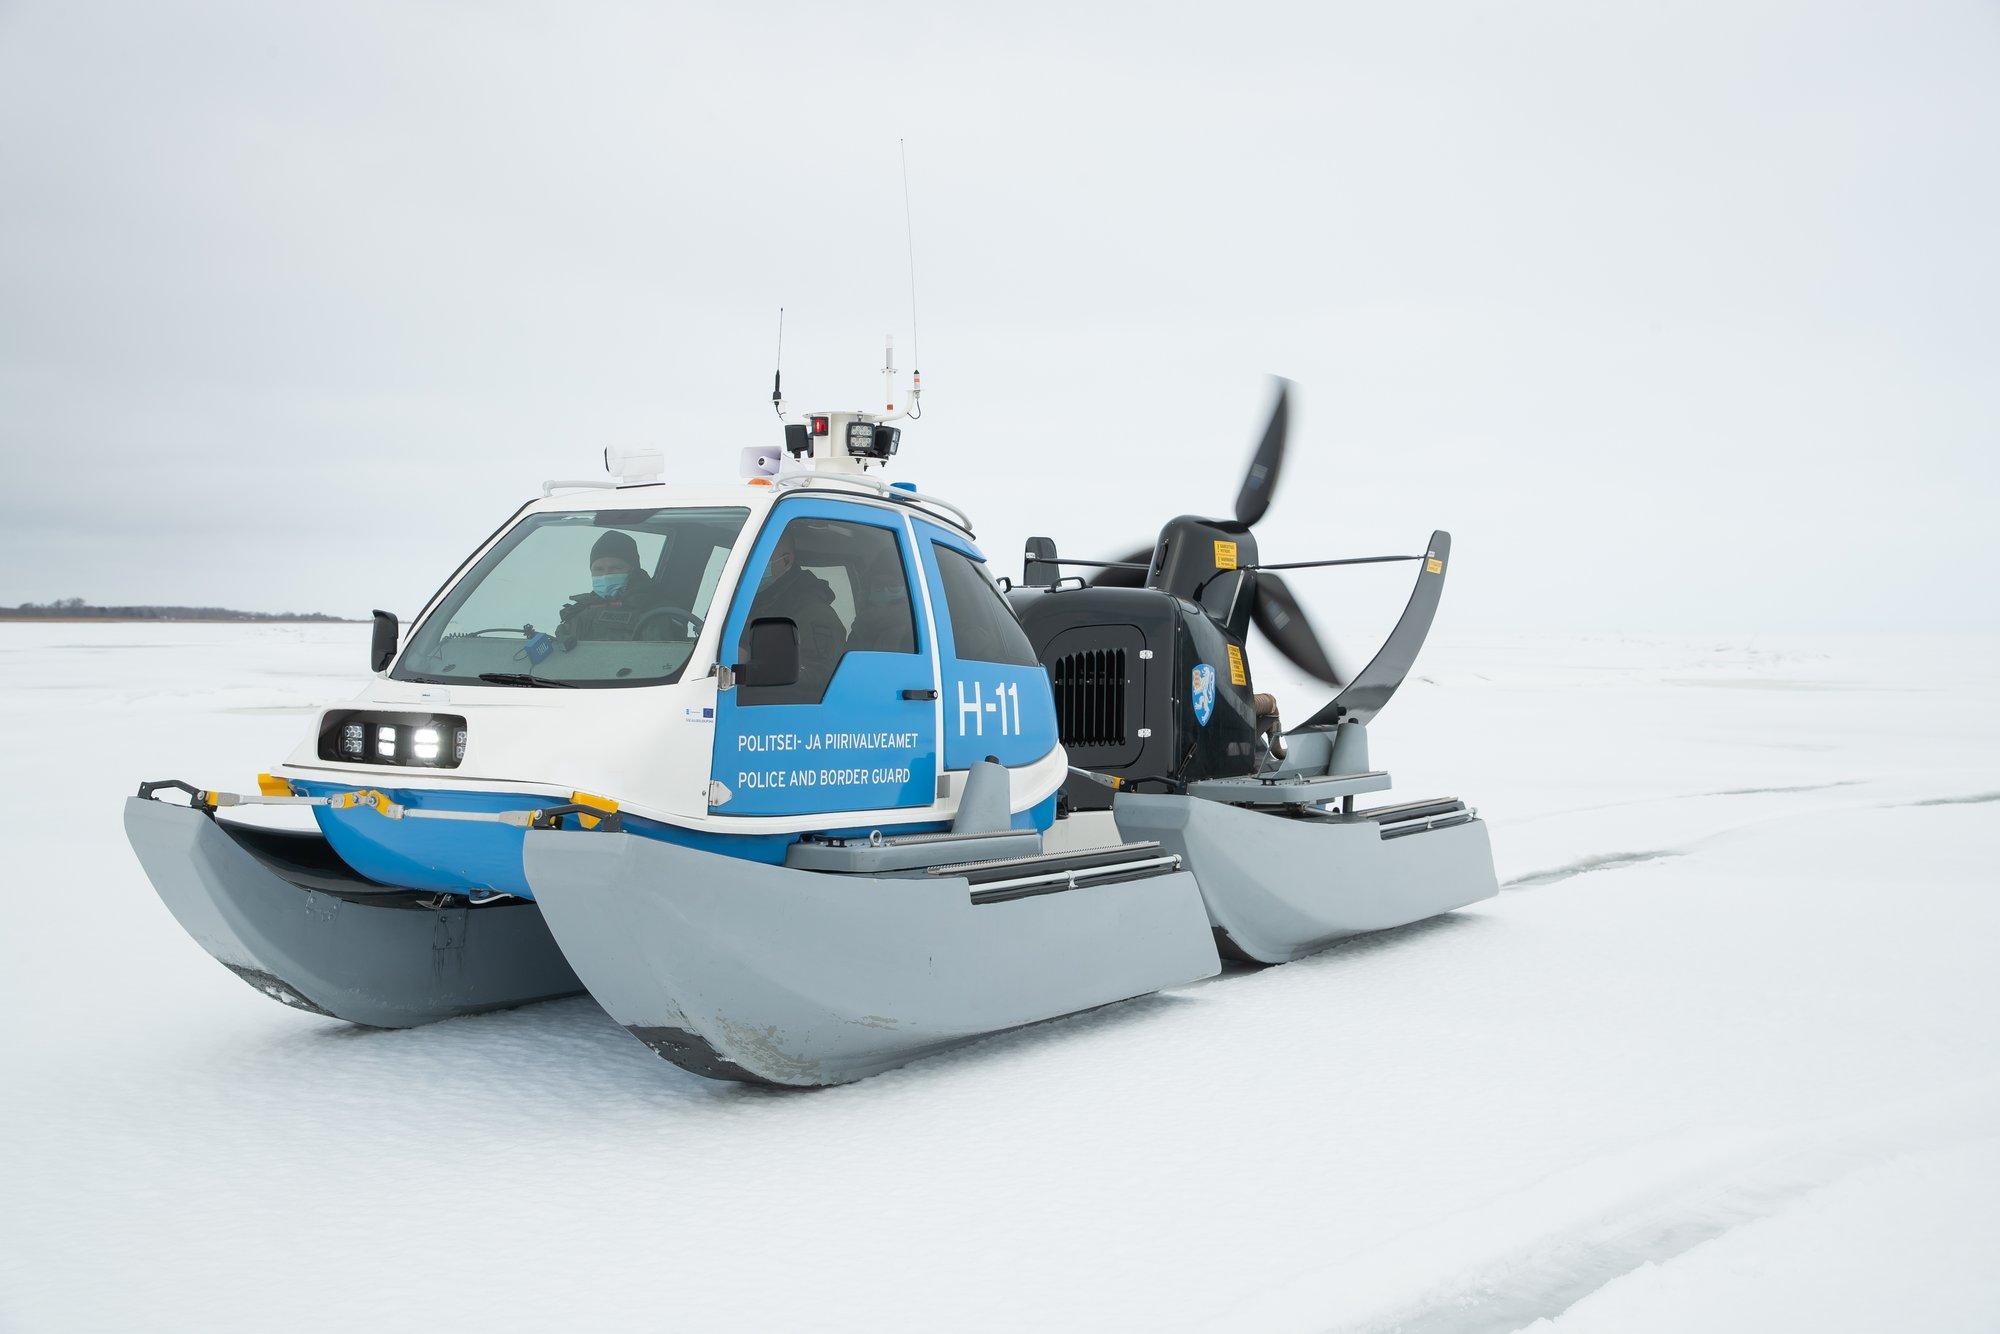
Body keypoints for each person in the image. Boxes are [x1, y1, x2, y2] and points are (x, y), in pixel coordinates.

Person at [746, 527, 847, 694]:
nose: (750, 568)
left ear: (786, 561)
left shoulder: (816, 613)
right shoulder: (747, 603)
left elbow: (819, 680)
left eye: (760, 560)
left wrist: (750, 666)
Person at [557, 530, 659, 643]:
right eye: (599, 569)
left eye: (615, 568)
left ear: (633, 570)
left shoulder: (655, 610)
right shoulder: (580, 610)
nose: (606, 575)